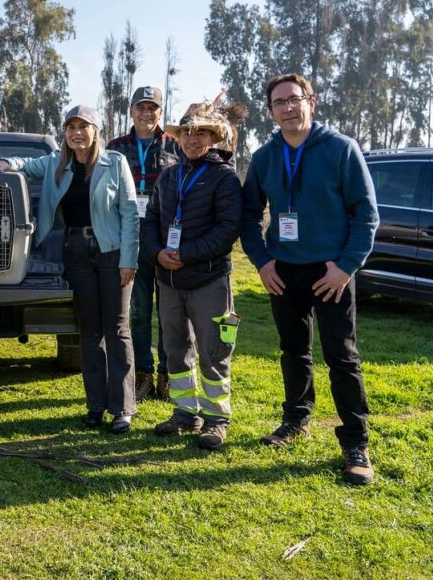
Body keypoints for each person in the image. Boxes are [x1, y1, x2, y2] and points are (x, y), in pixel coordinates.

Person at [240, 73, 379, 485]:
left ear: (311, 103)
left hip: (330, 272)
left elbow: (366, 215)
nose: (287, 107)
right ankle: (296, 420)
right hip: (284, 270)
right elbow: (248, 216)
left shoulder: (340, 149)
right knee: (293, 350)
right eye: (278, 102)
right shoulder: (265, 157)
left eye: (294, 100)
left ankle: (356, 443)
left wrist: (345, 266)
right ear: (271, 111)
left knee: (342, 357)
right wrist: (263, 262)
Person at [0, 105, 139, 433]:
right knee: (89, 332)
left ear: (95, 130)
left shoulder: (114, 163)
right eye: (70, 127)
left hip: (112, 254)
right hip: (76, 253)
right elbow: (27, 165)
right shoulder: (57, 162)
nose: (76, 133)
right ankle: (95, 407)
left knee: (117, 329)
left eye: (82, 126)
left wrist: (129, 259)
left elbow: (129, 213)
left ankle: (123, 409)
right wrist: (7, 163)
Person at [141, 101, 243, 450]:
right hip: (169, 281)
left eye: (200, 132)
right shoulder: (169, 176)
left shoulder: (225, 177)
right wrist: (157, 252)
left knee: (214, 350)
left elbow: (228, 229)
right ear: (178, 137)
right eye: (186, 132)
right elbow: (151, 220)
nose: (192, 138)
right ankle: (186, 412)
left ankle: (217, 419)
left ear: (213, 137)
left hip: (208, 280)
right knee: (175, 349)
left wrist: (185, 254)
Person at [107, 86, 179, 403]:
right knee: (137, 312)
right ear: (131, 110)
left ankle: (166, 375)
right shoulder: (115, 148)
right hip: (130, 239)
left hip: (164, 242)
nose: (146, 113)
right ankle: (142, 376)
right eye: (141, 107)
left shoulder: (175, 146)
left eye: (153, 108)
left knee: (167, 312)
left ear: (160, 112)